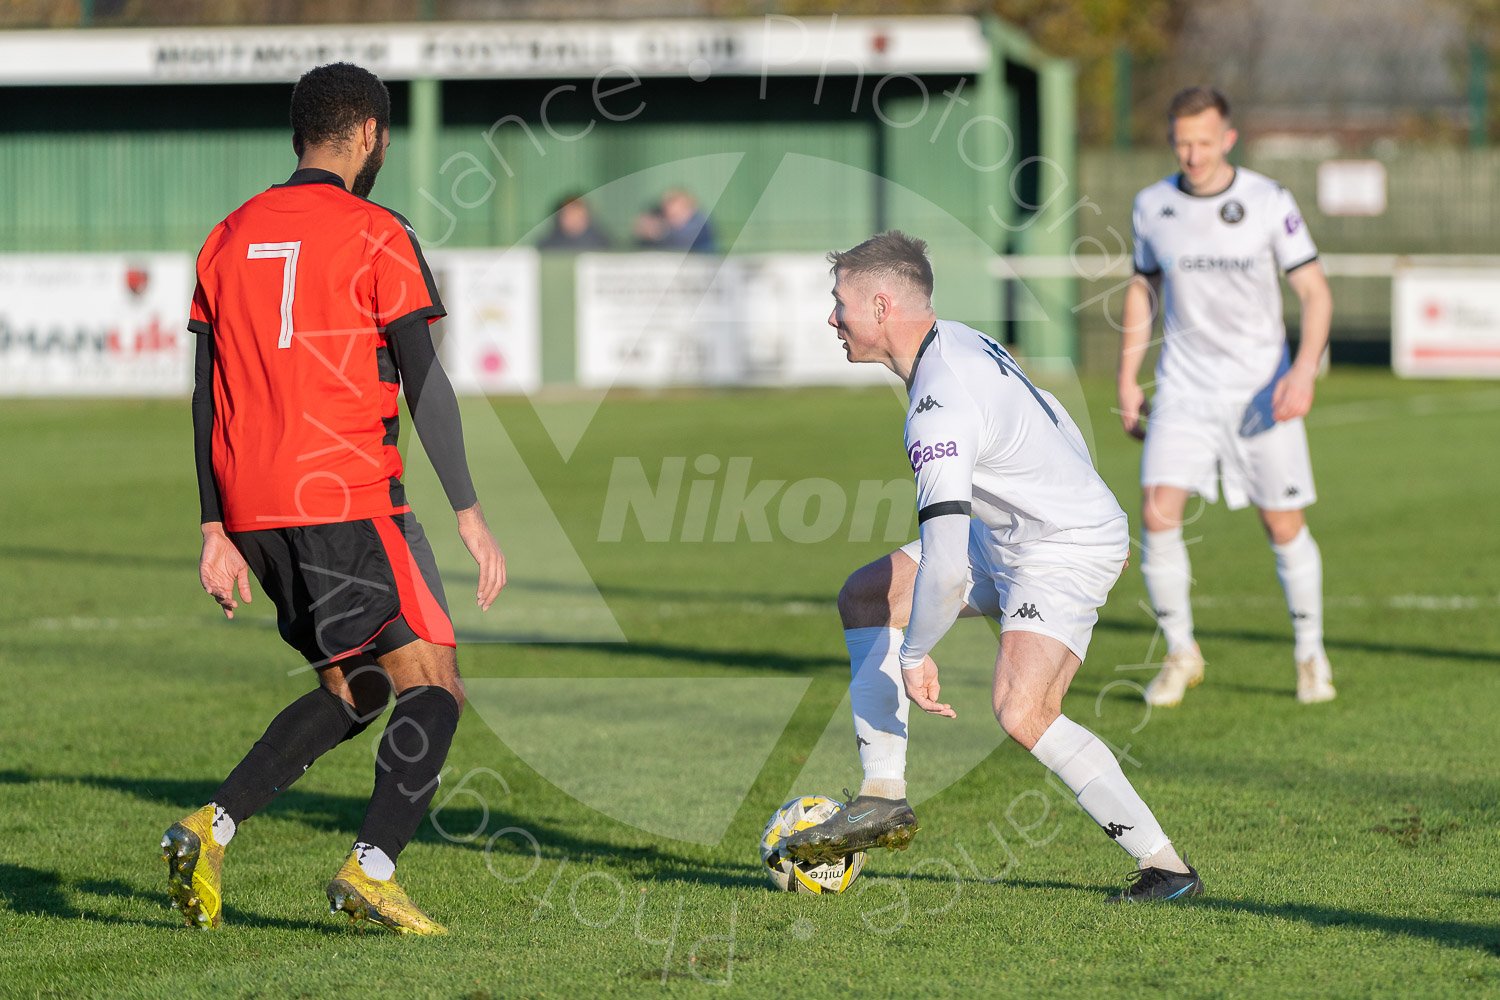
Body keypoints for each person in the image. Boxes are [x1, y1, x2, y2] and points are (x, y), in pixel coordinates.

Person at [164, 62, 506, 935]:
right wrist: (468, 510)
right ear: (369, 135)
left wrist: (213, 525)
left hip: (254, 513)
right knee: (434, 683)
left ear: (300, 134)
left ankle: (210, 828)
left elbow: (205, 394)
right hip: (347, 497)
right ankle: (372, 870)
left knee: (358, 686)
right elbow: (423, 380)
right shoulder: (377, 231)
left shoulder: (226, 236)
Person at [782, 231, 1202, 903]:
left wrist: (915, 653)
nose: (833, 318)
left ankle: (1167, 870)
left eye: (840, 303)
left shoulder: (937, 407)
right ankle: (882, 796)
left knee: (1022, 708)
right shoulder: (958, 339)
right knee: (866, 596)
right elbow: (1053, 416)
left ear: (881, 306)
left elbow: (947, 567)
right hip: (1018, 532)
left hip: (1061, 546)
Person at [1119, 86, 1335, 708]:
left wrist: (1302, 371)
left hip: (1261, 391)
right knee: (1157, 512)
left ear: (1228, 139)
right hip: (1184, 387)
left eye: (1204, 142)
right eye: (1182, 142)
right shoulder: (1152, 205)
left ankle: (1310, 653)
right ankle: (1180, 652)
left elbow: (1315, 291)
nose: (1193, 154)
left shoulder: (1268, 200)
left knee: (1282, 522)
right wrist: (1129, 376)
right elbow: (1142, 290)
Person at [632, 188, 717, 253]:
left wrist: (658, 232)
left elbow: (683, 239)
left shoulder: (700, 222)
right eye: (669, 215)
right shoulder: (667, 225)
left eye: (676, 215)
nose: (671, 219)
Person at [537, 193, 612, 251]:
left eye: (578, 216)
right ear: (560, 218)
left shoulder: (602, 243)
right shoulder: (548, 245)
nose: (574, 221)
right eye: (569, 215)